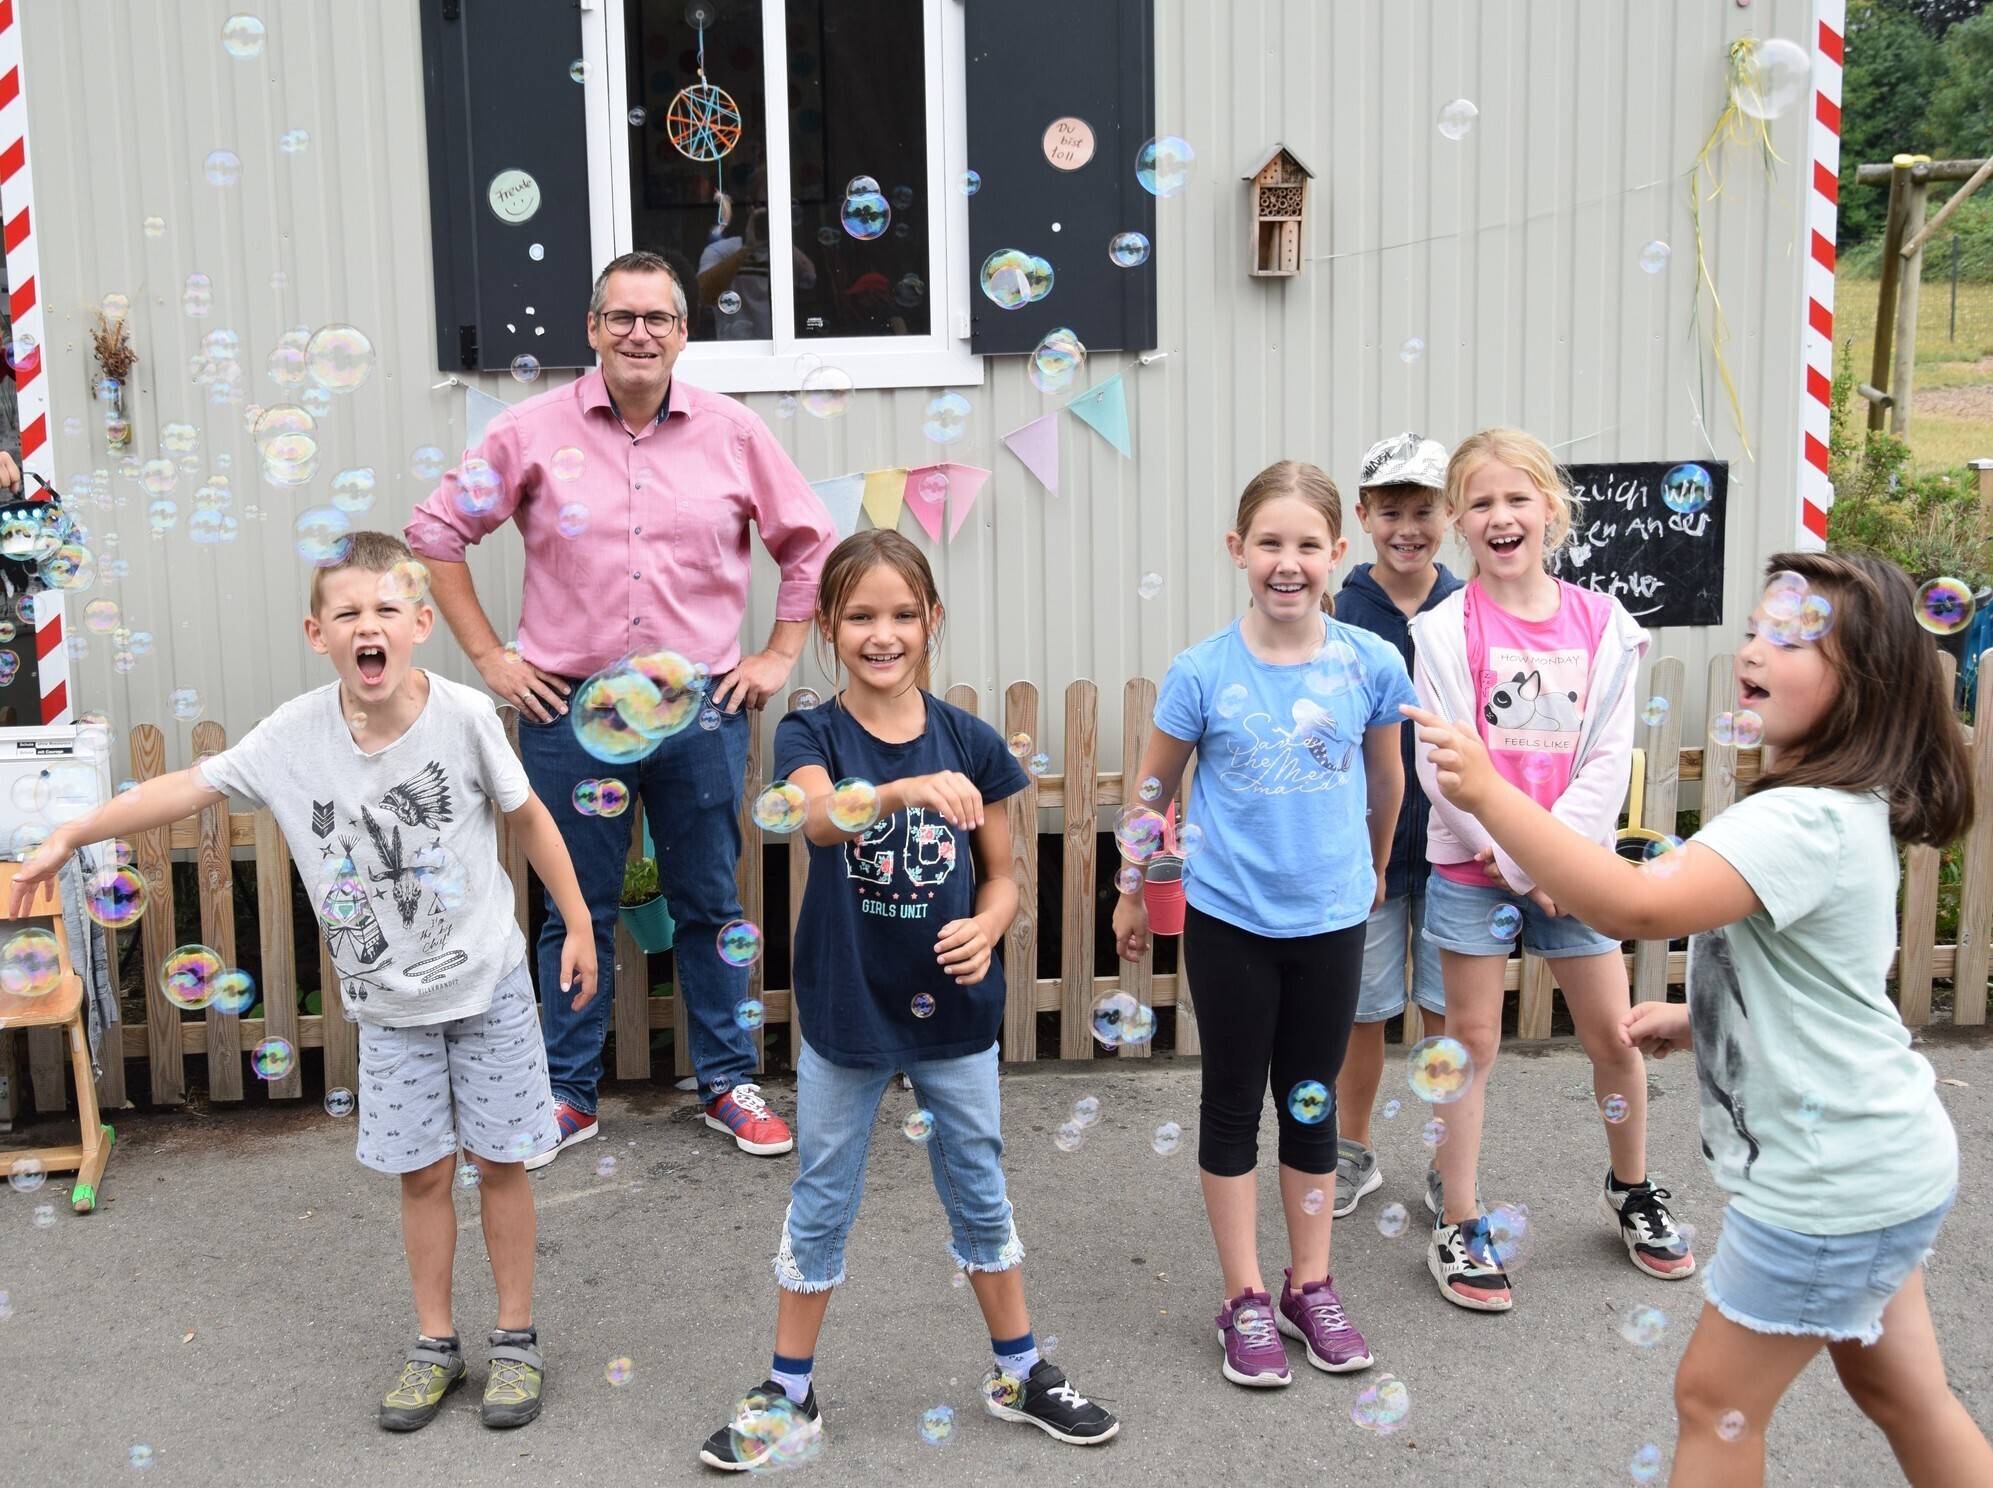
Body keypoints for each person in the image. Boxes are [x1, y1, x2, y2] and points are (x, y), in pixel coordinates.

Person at [1405, 552, 1993, 1488]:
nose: (1754, 648)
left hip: (1826, 1183)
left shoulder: (1794, 821)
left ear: (1865, 686)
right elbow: (1820, 978)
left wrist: (1488, 791)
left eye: (1794, 639)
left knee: (1711, 1405)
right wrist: (1704, 1016)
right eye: (1757, 628)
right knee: (1901, 1394)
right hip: (1884, 1160)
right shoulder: (1841, 808)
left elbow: (1632, 907)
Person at [11, 531, 598, 1433]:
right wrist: (70, 835)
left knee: (502, 1163)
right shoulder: (291, 737)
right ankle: (434, 1345)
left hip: (489, 988)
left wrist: (580, 920)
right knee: (421, 1175)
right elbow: (184, 787)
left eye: (386, 609)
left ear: (420, 623)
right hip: (390, 1010)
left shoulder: (466, 716)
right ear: (316, 632)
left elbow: (529, 820)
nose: (369, 626)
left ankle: (515, 1340)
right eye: (348, 612)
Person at [698, 530, 1118, 1470]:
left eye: (900, 615)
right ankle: (788, 1392)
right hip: (848, 1009)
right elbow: (813, 814)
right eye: (858, 616)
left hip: (954, 1014)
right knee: (820, 1195)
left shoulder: (969, 742)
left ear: (932, 621)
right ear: (827, 629)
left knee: (977, 1181)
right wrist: (899, 793)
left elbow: (1003, 876)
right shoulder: (811, 733)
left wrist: (988, 922)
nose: (880, 634)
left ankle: (1018, 1370)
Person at [409, 249, 838, 1165]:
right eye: (621, 317)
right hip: (567, 713)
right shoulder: (526, 432)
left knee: (710, 902)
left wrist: (778, 653)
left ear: (683, 333)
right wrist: (490, 656)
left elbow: (807, 543)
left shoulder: (732, 433)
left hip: (701, 711)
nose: (639, 333)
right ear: (592, 330)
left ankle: (726, 1082)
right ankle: (564, 1094)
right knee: (575, 908)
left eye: (658, 318)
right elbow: (435, 532)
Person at [1112, 460, 1415, 1388]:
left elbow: (1386, 778)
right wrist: (1131, 886)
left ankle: (1309, 1285)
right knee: (1233, 1102)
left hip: (1329, 918)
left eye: (1307, 546)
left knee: (1310, 1100)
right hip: (1229, 919)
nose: (1289, 564)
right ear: (1238, 551)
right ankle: (1243, 1297)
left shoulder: (1370, 662)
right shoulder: (1202, 670)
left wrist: (1370, 867)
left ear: (1338, 553)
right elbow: (1154, 789)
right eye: (1269, 545)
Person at [1408, 427, 1692, 1312]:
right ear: (1459, 521)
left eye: (1516, 500)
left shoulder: (1603, 626)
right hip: (1472, 866)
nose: (1501, 517)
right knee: (1470, 1044)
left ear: (1551, 512)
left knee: (1614, 1036)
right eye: (1481, 503)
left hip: (1576, 871)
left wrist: (1556, 860)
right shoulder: (1443, 628)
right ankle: (1459, 1215)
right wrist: (1513, 856)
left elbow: (1608, 758)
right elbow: (1442, 764)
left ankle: (1632, 1187)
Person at [1329, 433, 1462, 1218]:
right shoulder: (1338, 611)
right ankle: (1353, 1152)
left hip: (1454, 854)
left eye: (1422, 509)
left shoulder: (1469, 608)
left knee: (1452, 1015)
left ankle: (1455, 1158)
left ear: (1447, 515)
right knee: (1362, 1012)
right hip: (1363, 853)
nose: (1406, 526)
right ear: (1363, 515)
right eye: (1390, 511)